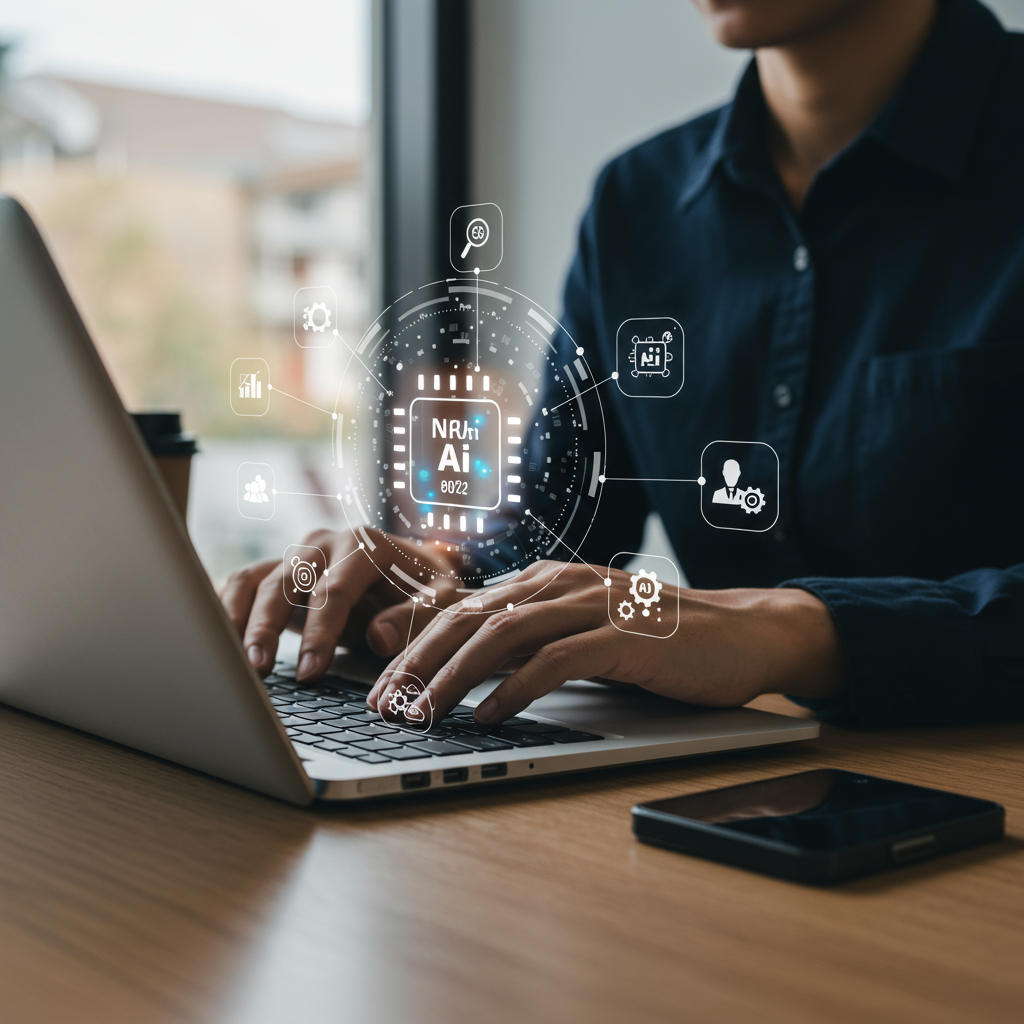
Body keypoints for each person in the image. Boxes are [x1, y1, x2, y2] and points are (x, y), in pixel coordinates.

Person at [222, 0, 1024, 729]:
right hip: (740, 791)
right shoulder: (637, 204)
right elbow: (561, 520)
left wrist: (796, 630)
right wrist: (435, 573)